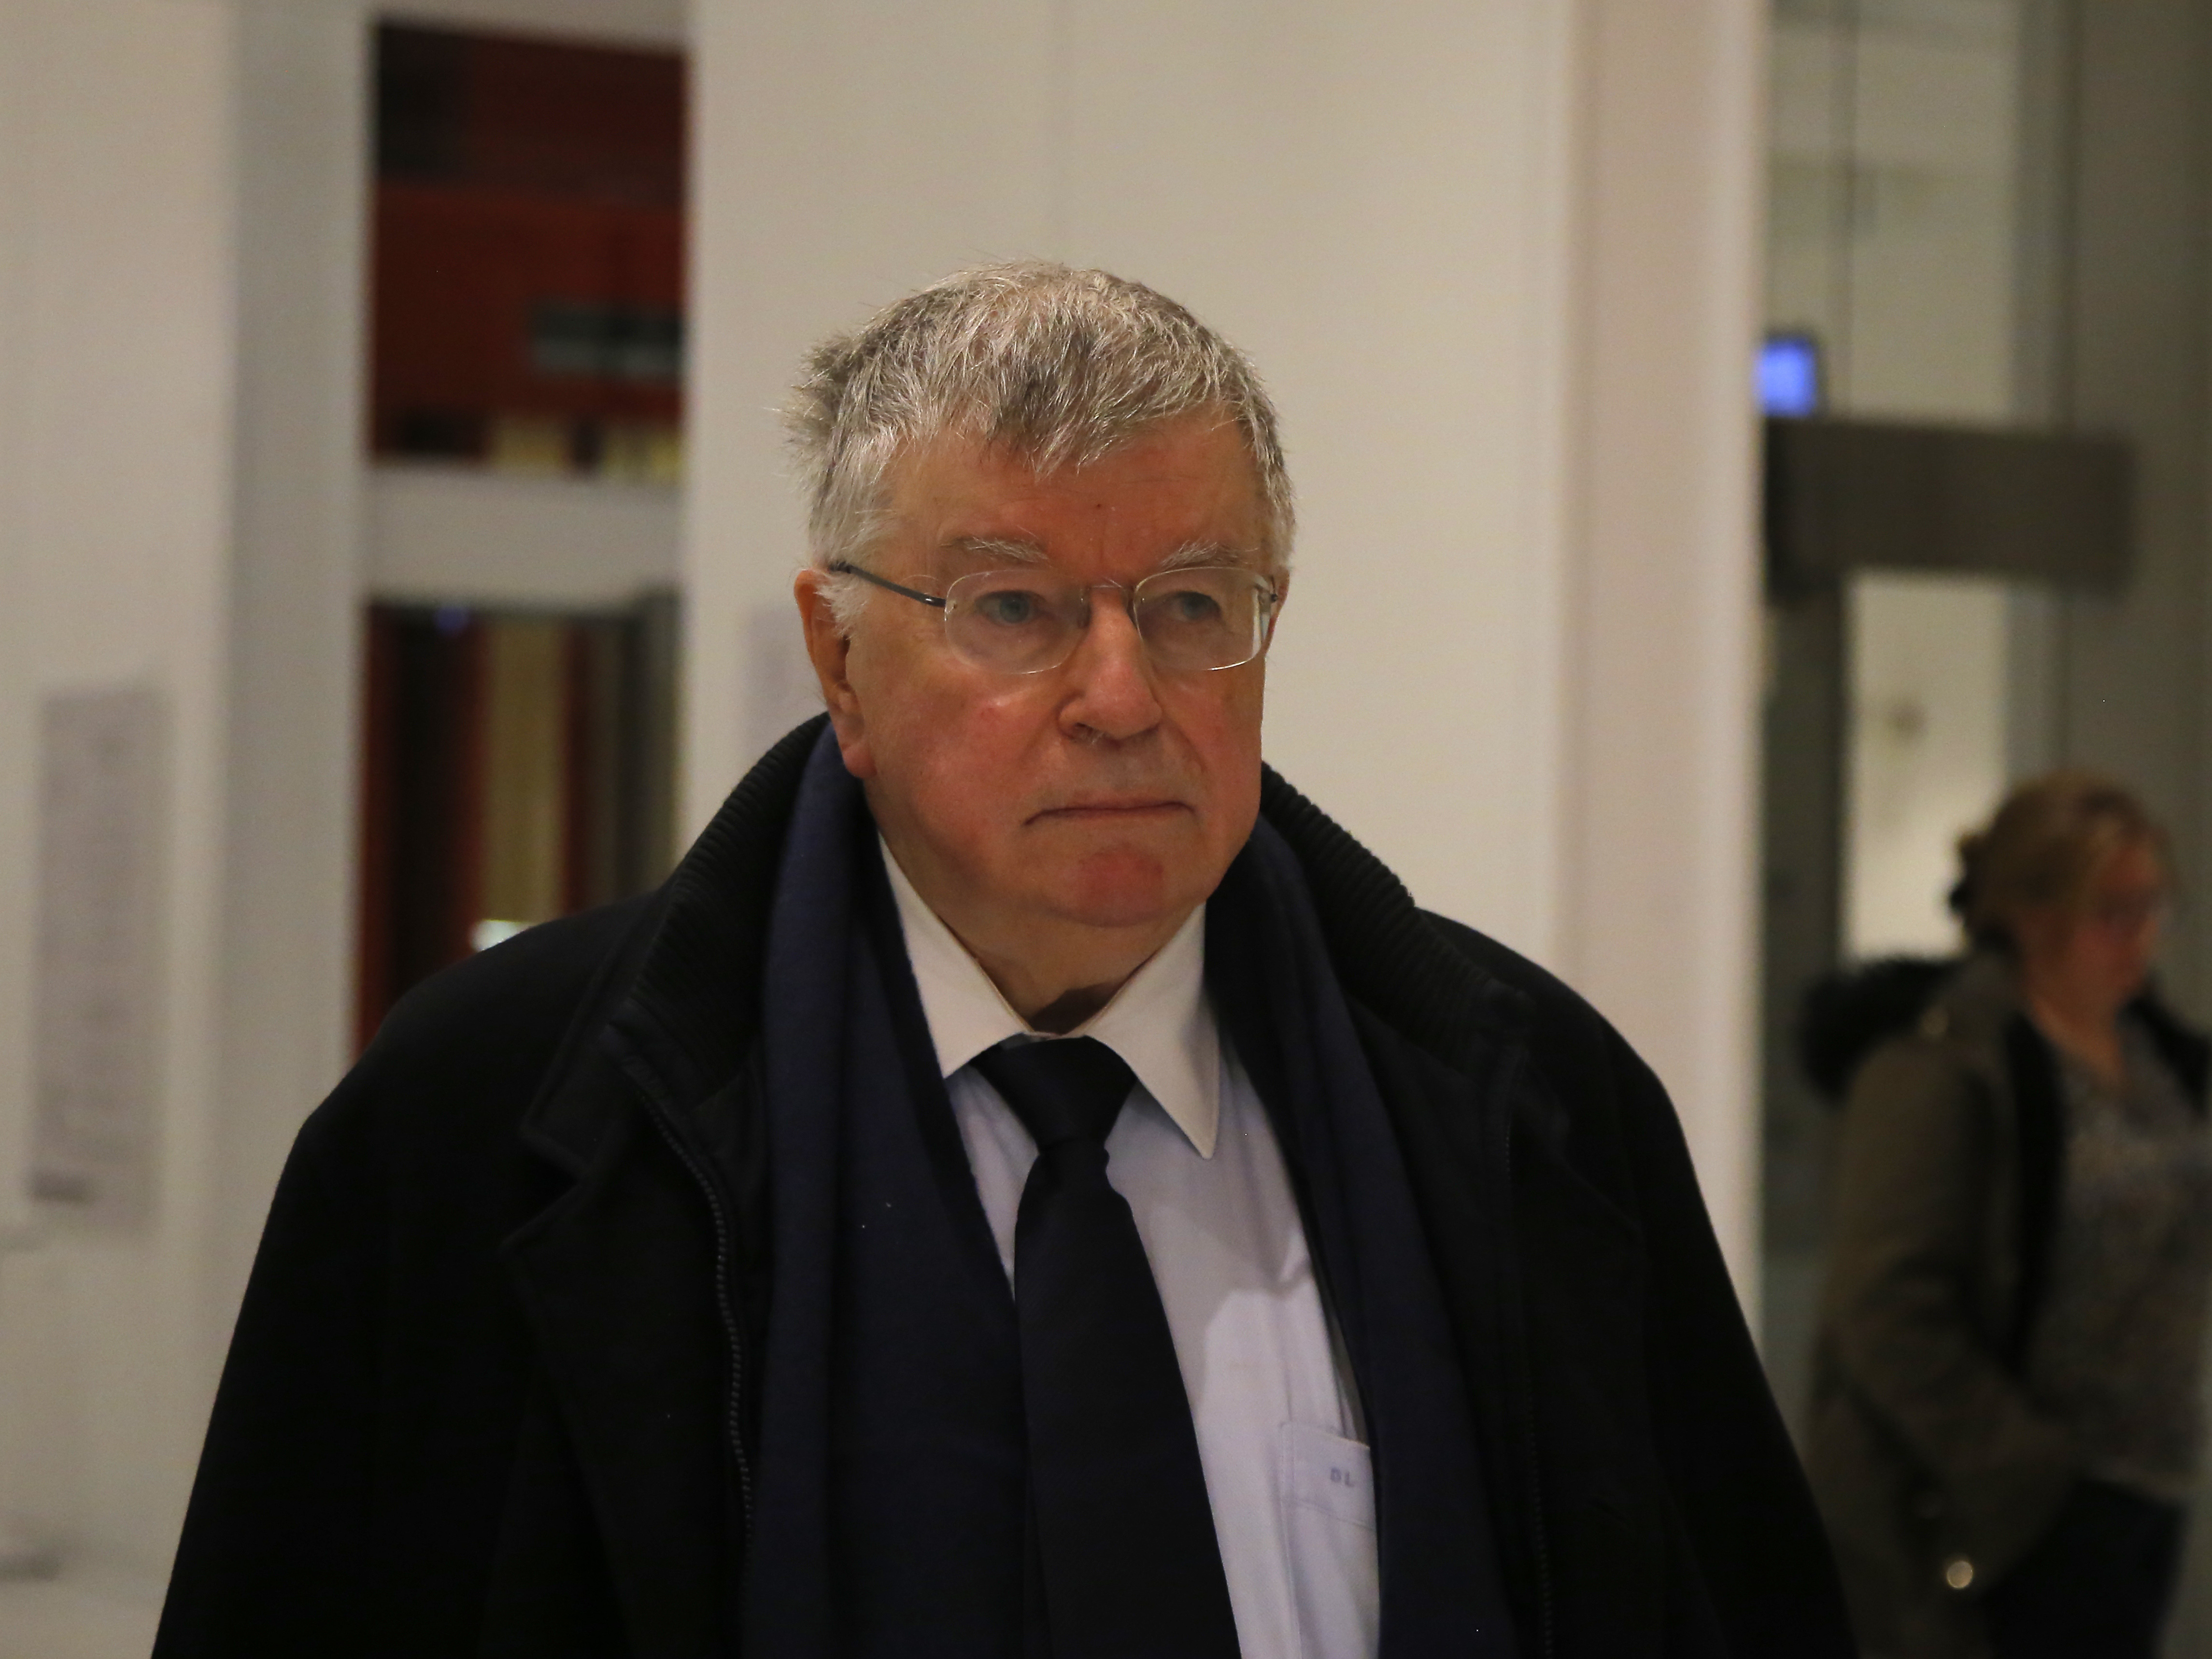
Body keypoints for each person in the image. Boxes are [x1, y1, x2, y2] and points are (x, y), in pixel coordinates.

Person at [153, 262, 1849, 1657]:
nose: (1122, 694)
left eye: (1195, 604)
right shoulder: (490, 1125)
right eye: (1014, 607)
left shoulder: (1528, 1102)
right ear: (839, 657)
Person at [1806, 772, 2212, 1659]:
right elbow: (1883, 1305)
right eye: (2113, 911)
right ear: (2031, 915)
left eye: (2154, 907)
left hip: (2142, 1486)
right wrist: (2023, 1472)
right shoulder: (1940, 1064)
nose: (2141, 937)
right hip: (1999, 1516)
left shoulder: (2157, 1055)